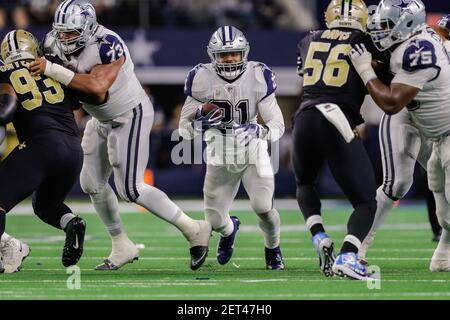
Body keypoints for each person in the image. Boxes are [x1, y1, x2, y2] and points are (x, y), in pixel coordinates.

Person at [29, 0, 212, 271]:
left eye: (72, 32)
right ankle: (121, 244)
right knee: (91, 183)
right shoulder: (52, 42)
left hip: (130, 114)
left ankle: (194, 228)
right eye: (61, 32)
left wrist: (52, 69)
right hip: (100, 117)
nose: (65, 38)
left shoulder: (107, 44)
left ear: (89, 28)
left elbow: (97, 88)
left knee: (130, 188)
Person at [349, 0, 450, 271]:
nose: (380, 31)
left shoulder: (420, 50)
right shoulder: (412, 39)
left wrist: (365, 69)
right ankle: (358, 246)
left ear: (407, 24)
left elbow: (391, 101)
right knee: (397, 183)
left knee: (446, 199)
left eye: (386, 25)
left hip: (439, 126)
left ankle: (445, 250)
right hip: (407, 115)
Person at [179, 26, 285, 269]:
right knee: (215, 221)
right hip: (219, 153)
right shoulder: (201, 77)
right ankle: (230, 229)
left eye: (234, 54)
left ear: (244, 53)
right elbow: (184, 129)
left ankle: (273, 249)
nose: (229, 59)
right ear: (212, 56)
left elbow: (278, 125)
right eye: (223, 55)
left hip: (252, 152)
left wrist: (260, 131)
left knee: (262, 207)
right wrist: (198, 119)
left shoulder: (259, 74)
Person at [294, 0, 376, 280]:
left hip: (304, 117)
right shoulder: (365, 40)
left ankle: (318, 236)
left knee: (305, 183)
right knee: (366, 201)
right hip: (336, 118)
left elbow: (305, 75)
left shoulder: (309, 38)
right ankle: (348, 255)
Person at [0, 29, 86, 273]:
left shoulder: (5, 72)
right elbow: (79, 99)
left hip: (41, 145)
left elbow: (5, 111)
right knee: (45, 204)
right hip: (73, 149)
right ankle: (71, 222)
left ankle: (8, 250)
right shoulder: (52, 65)